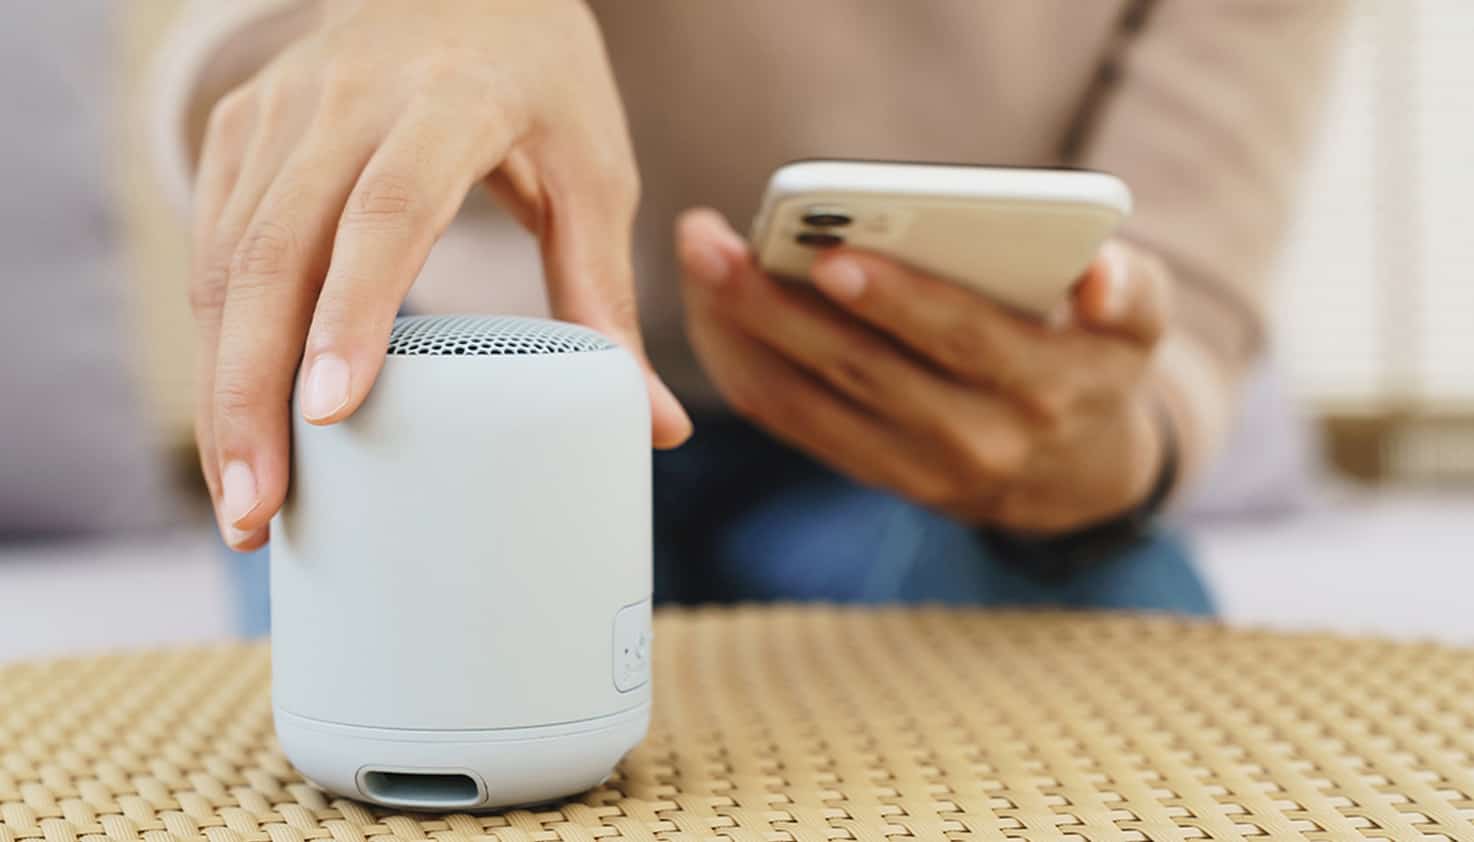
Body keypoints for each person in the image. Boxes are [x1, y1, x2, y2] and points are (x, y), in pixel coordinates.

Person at [152, 0, 1346, 623]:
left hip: (939, 448)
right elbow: (228, 69)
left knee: (1126, 665)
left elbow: (1185, 299)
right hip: (470, 392)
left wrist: (1102, 447)